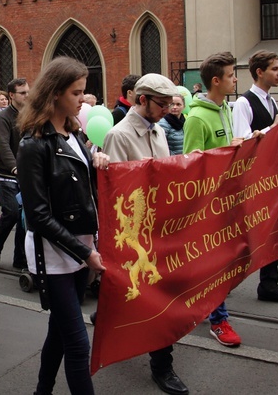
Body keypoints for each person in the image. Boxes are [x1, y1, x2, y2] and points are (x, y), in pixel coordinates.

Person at [16, 57, 109, 395]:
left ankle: (42, 390)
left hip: (80, 247)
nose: (83, 99)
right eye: (76, 92)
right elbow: (38, 215)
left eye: (84, 92)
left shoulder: (74, 132)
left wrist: (97, 161)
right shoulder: (33, 145)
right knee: (77, 343)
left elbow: (81, 188)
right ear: (55, 93)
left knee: (59, 329)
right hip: (54, 254)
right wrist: (85, 252)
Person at [101, 74, 188, 395]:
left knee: (149, 296)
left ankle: (109, 314)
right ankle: (162, 366)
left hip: (162, 229)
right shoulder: (119, 136)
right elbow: (115, 197)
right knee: (155, 301)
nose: (168, 109)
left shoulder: (158, 130)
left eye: (169, 104)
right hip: (139, 236)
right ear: (141, 100)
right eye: (162, 104)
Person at [183, 52, 245, 348]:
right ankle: (218, 320)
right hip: (209, 205)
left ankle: (200, 300)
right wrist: (228, 151)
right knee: (216, 264)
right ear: (216, 81)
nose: (236, 80)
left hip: (229, 199)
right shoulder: (196, 118)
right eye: (232, 75)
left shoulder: (227, 110)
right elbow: (191, 165)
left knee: (224, 261)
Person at [232, 50, 278, 306]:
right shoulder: (244, 103)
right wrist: (273, 127)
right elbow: (243, 142)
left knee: (273, 229)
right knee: (245, 234)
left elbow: (277, 144)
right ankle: (224, 280)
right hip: (252, 181)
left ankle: (269, 284)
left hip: (270, 180)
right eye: (274, 68)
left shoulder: (271, 102)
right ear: (260, 72)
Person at [0, 77, 30, 269]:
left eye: (28, 92)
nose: (27, 95)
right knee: (12, 213)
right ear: (12, 95)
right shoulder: (3, 117)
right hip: (8, 175)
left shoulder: (31, 113)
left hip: (27, 174)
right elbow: (3, 145)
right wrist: (15, 167)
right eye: (22, 93)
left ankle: (20, 258)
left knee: (24, 218)